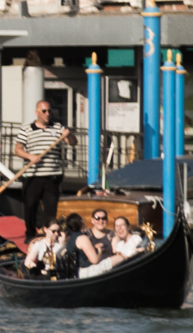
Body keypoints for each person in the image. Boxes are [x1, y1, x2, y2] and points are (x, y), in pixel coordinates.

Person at [14, 100, 72, 240]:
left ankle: (49, 236)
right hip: (33, 176)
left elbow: (72, 143)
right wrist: (30, 156)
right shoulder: (26, 129)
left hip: (52, 176)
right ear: (37, 112)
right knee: (30, 206)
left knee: (51, 210)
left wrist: (68, 135)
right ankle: (30, 235)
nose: (47, 114)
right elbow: (17, 149)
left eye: (49, 111)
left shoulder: (57, 127)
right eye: (44, 111)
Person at [74, 208, 124, 279]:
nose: (101, 221)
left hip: (108, 272)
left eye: (104, 218)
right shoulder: (86, 235)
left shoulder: (112, 235)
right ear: (92, 220)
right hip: (90, 271)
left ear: (107, 221)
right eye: (97, 218)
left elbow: (117, 254)